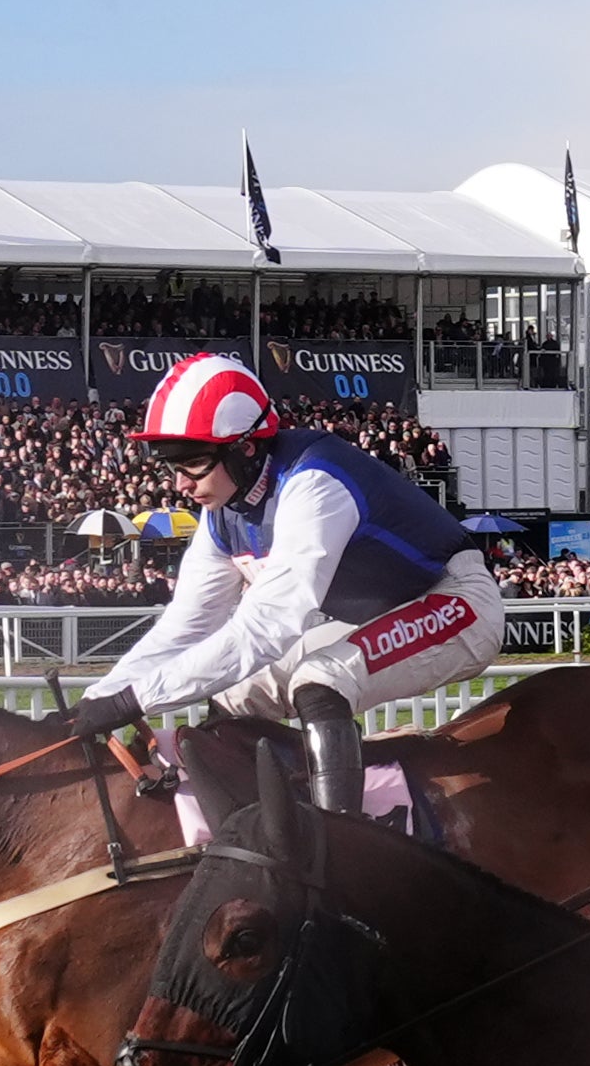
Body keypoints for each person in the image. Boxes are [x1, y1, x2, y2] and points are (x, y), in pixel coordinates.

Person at [60, 353, 503, 832]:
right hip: (373, 615)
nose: (180, 484)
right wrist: (99, 699)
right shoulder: (220, 514)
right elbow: (186, 625)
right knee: (233, 698)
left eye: (193, 462)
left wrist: (134, 700)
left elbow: (266, 630)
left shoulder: (316, 483)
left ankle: (344, 844)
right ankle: (245, 835)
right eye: (171, 464)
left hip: (456, 600)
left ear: (247, 448)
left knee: (320, 681)